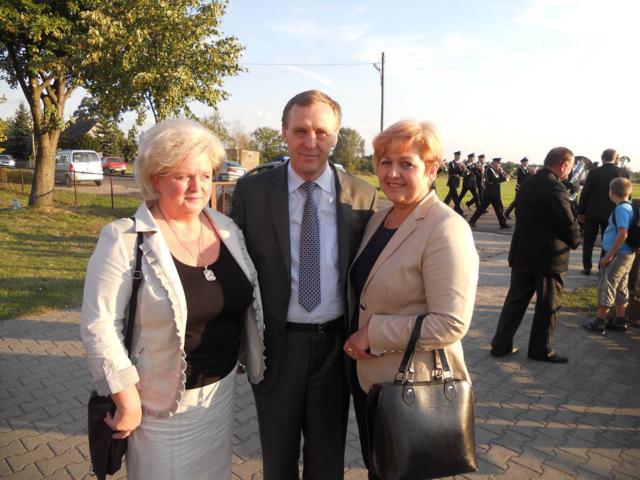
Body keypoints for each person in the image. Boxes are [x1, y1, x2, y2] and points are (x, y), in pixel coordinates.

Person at [80, 119, 265, 479]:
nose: (198, 187)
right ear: (156, 179)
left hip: (220, 395)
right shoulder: (124, 239)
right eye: (183, 176)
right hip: (159, 408)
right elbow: (99, 326)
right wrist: (126, 400)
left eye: (206, 175)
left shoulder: (226, 229)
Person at [230, 90, 377, 480]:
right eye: (300, 131)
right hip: (277, 348)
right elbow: (234, 268)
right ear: (284, 132)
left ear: (336, 136)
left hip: (336, 348)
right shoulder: (252, 192)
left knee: (327, 462)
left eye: (321, 132)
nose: (311, 142)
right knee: (278, 460)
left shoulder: (363, 196)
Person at [342, 120, 479, 479]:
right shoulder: (380, 219)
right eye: (385, 162)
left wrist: (373, 334)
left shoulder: (445, 228)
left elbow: (451, 323)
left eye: (406, 164)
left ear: (431, 169)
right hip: (372, 382)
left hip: (414, 387)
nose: (392, 173)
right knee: (379, 469)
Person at [490, 147, 581, 363]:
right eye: (570, 166)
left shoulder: (528, 182)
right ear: (563, 165)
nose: (570, 171)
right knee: (548, 304)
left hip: (522, 253)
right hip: (547, 257)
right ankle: (540, 349)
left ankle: (500, 344)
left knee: (515, 301)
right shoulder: (555, 187)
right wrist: (576, 239)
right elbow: (567, 222)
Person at [584, 177, 636, 333]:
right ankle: (620, 319)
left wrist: (608, 257)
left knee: (608, 285)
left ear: (612, 192)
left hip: (618, 255)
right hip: (626, 254)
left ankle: (600, 321)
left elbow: (622, 233)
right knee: (620, 286)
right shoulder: (629, 207)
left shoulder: (621, 209)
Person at [577, 148, 626, 275]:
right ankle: (602, 267)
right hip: (612, 213)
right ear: (616, 158)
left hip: (592, 211)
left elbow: (585, 192)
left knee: (588, 241)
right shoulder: (622, 172)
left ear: (602, 158)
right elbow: (627, 194)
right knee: (607, 241)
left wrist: (581, 211)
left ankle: (587, 267)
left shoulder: (594, 172)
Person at [468, 157, 510, 229]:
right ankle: (471, 221)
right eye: (499, 163)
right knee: (481, 209)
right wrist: (504, 179)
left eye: (500, 164)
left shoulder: (495, 170)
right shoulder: (488, 170)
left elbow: (499, 178)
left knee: (499, 209)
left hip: (495, 194)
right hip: (489, 194)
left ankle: (503, 224)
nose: (499, 165)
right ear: (494, 163)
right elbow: (491, 181)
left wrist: (501, 173)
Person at [443, 150, 465, 215]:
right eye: (457, 156)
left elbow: (461, 174)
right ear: (455, 156)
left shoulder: (460, 163)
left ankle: (443, 206)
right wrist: (459, 167)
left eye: (459, 156)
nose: (458, 157)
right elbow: (452, 171)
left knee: (450, 196)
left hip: (456, 181)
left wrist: (463, 169)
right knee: (455, 196)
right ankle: (460, 211)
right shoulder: (451, 163)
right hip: (452, 181)